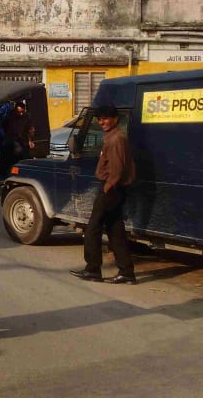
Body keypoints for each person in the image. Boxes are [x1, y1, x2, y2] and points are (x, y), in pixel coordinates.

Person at [70, 104, 137, 285]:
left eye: (106, 118)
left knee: (93, 228)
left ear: (115, 119)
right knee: (116, 230)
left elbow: (117, 169)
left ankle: (92, 269)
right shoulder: (113, 137)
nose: (102, 122)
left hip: (112, 189)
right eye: (100, 119)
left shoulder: (116, 139)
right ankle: (126, 272)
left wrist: (107, 187)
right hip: (114, 188)